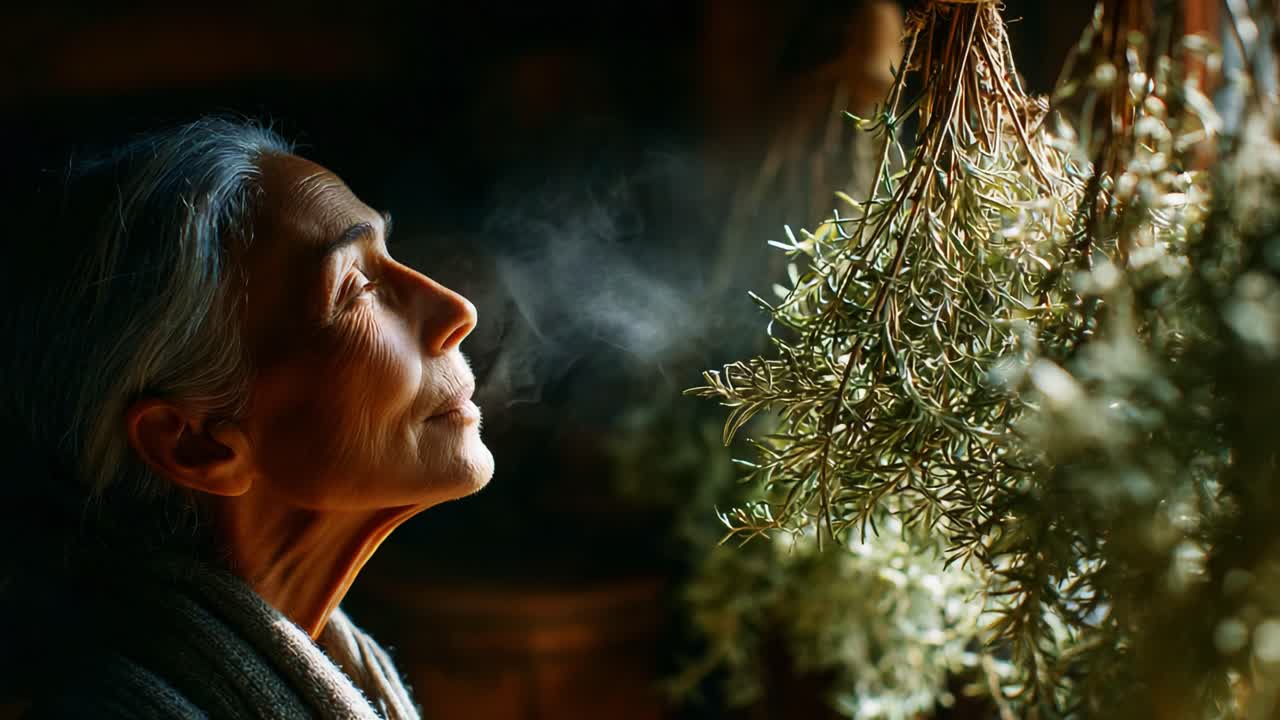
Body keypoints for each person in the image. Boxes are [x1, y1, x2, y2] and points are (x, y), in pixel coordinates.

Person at [0, 117, 495, 719]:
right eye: (355, 288)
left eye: (388, 256)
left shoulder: (348, 667)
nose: (456, 310)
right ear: (195, 444)